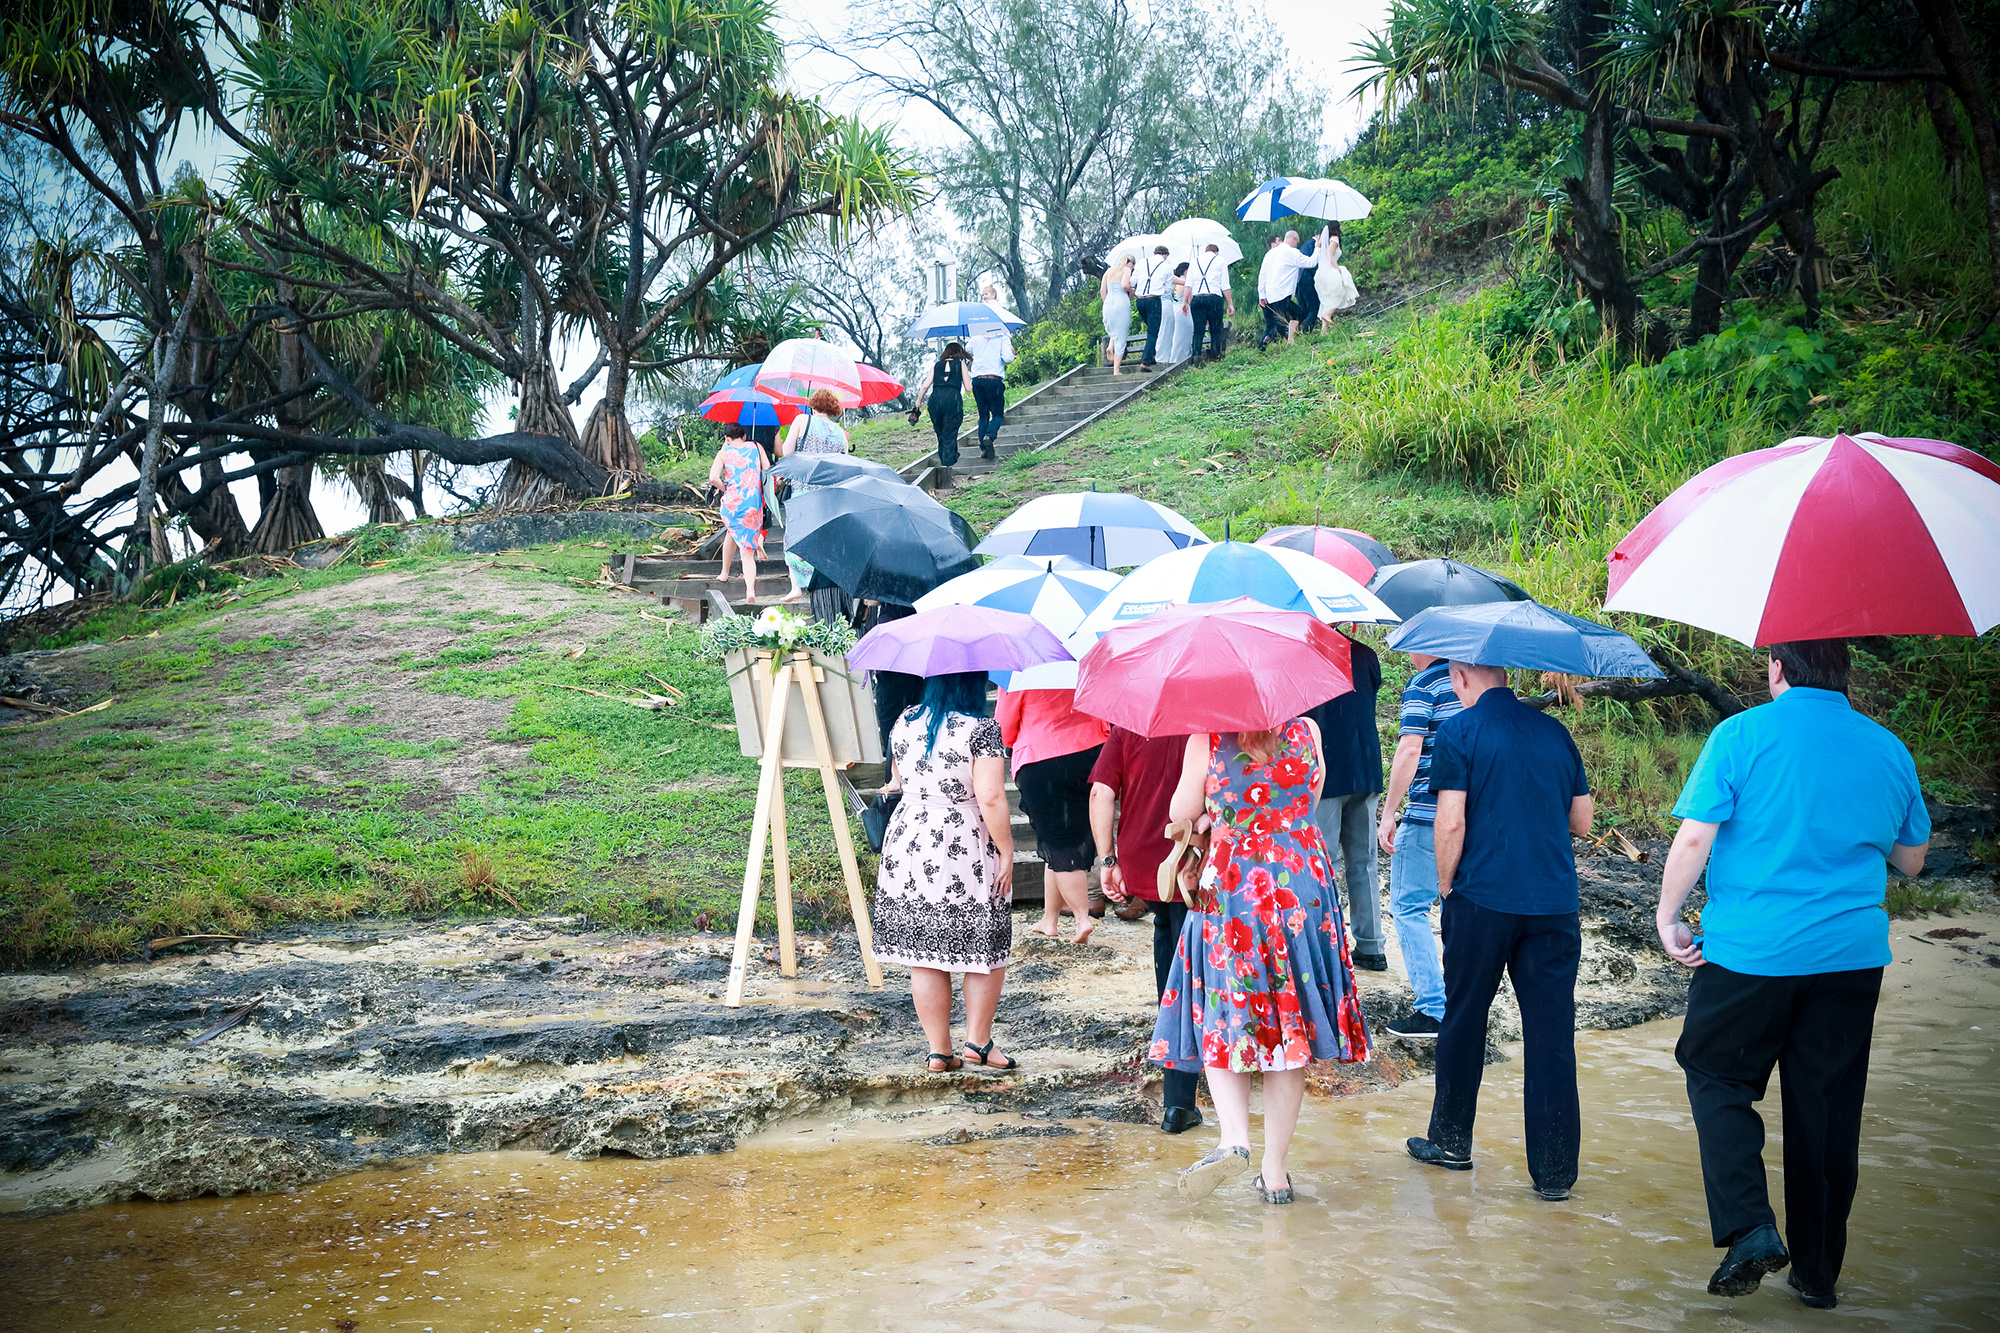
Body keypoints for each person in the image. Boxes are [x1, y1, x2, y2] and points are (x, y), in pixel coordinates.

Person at [1655, 639, 1929, 1310]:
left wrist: (1668, 916)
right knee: (1827, 1112)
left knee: (1716, 1072)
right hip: (1849, 959)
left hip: (1752, 953)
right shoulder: (1887, 747)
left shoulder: (1742, 733)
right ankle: (1818, 1273)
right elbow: (1912, 858)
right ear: (1844, 674)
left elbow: (1695, 837)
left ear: (1778, 667)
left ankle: (1750, 1225)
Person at [1150, 718, 1372, 1204]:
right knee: (1287, 1025)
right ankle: (1275, 1174)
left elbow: (1180, 811)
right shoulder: (1310, 731)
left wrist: (1216, 815)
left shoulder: (1206, 737)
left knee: (1223, 1009)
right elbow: (1305, 805)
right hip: (1300, 883)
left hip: (1233, 886)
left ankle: (1234, 1138)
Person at [1405, 661, 1593, 1203]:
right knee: (1552, 1036)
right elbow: (1581, 821)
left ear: (1461, 675)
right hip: (1553, 905)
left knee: (1465, 1018)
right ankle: (1555, 1172)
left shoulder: (1460, 731)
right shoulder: (1556, 732)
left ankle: (1451, 1142)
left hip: (1483, 898)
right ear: (1506, 675)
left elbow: (1451, 821)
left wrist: (1446, 887)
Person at [871, 671, 1019, 1074]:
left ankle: (939, 1051)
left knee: (925, 954)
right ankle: (978, 1042)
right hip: (963, 837)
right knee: (983, 944)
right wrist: (1006, 850)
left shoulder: (905, 719)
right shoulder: (983, 729)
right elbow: (989, 796)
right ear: (974, 684)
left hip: (911, 836)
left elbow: (896, 782)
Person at [1091, 725, 1206, 1133]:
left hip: (1146, 860)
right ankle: (1181, 1100)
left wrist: (1107, 860)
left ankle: (1179, 1101)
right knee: (1196, 975)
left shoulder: (1133, 724)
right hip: (1197, 861)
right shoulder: (1216, 723)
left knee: (1171, 966)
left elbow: (1101, 792)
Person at [1376, 650, 1460, 1038]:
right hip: (1469, 819)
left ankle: (1432, 1007)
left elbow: (1410, 749)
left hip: (1428, 814)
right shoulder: (1471, 680)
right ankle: (1460, 1005)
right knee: (1456, 909)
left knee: (1408, 907)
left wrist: (1389, 811)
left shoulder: (1425, 683)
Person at [997, 685, 1109, 945]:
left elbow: (1003, 728)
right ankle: (1050, 918)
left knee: (1060, 844)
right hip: (1090, 751)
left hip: (1043, 756)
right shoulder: (1080, 659)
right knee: (1055, 839)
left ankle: (1082, 919)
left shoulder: (1020, 672)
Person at [1303, 631, 1387, 971]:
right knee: (1364, 860)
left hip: (1325, 772)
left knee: (1323, 861)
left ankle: (1324, 942)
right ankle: (1371, 945)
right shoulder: (1365, 654)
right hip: (1364, 766)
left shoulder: (1302, 655)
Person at [775, 389, 850, 602]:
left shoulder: (801, 420)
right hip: (828, 494)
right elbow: (844, 464)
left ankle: (797, 585)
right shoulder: (839, 432)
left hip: (803, 489)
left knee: (794, 537)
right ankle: (818, 582)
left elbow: (787, 452)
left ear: (813, 404)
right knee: (821, 538)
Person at [705, 423, 766, 601]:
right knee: (747, 550)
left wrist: (724, 488)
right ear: (744, 436)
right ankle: (750, 591)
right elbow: (768, 468)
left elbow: (713, 477)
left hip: (732, 504)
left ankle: (724, 573)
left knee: (732, 531)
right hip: (752, 503)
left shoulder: (724, 452)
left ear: (727, 438)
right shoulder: (756, 446)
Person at [1255, 231, 1316, 348]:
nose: (1296, 245)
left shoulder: (1270, 253)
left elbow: (1262, 274)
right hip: (1282, 294)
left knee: (1284, 319)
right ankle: (1267, 341)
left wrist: (1261, 294)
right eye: (1297, 242)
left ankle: (1288, 339)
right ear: (1293, 239)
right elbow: (1311, 263)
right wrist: (1317, 249)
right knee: (1281, 324)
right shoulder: (1292, 252)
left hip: (1270, 294)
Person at [919, 341, 968, 470]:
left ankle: (948, 458)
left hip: (935, 399)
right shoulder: (961, 365)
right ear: (959, 353)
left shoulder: (937, 365)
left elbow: (925, 386)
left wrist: (918, 403)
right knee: (950, 431)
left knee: (940, 431)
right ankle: (948, 463)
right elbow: (968, 388)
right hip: (953, 399)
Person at [968, 324, 1013, 460]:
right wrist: (1010, 349)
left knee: (983, 415)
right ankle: (990, 435)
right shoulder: (1003, 337)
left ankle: (984, 448)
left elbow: (967, 351)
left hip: (978, 380)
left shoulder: (975, 336)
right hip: (994, 380)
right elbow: (1008, 358)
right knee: (998, 414)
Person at [1182, 242, 1233, 362]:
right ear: (1216, 252)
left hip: (1198, 298)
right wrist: (1230, 303)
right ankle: (1216, 356)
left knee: (1198, 330)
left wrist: (1184, 302)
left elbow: (1188, 284)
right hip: (1213, 298)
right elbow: (1225, 285)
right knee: (1215, 328)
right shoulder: (1220, 260)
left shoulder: (1194, 261)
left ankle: (1196, 357)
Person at [1135, 243, 1175, 371]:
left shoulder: (1142, 262)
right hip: (1154, 299)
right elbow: (1168, 289)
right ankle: (1145, 362)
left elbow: (1132, 281)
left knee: (1150, 327)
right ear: (1165, 255)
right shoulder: (1167, 266)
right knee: (1153, 331)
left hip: (1140, 300)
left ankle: (1151, 357)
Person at [1314, 223, 1359, 326]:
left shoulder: (1325, 242)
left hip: (1322, 273)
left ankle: (1323, 331)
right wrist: (1338, 269)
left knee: (1329, 300)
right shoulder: (1334, 239)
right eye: (1340, 226)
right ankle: (1328, 314)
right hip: (1330, 271)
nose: (1341, 227)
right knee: (1341, 294)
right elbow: (1331, 257)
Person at [1101, 254, 1136, 375]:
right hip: (1121, 302)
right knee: (1121, 335)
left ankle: (1110, 347)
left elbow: (1102, 290)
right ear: (1129, 262)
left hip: (1108, 303)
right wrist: (1132, 291)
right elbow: (1124, 285)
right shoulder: (1126, 270)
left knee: (1114, 330)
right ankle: (1116, 370)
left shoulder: (1108, 271)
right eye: (1133, 264)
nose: (1132, 267)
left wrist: (1107, 303)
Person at [1164, 262, 1194, 363]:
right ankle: (1181, 359)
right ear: (1186, 270)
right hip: (1184, 309)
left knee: (1177, 335)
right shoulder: (1185, 282)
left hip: (1175, 307)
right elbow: (1191, 299)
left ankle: (1175, 358)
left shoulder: (1176, 283)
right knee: (1184, 335)